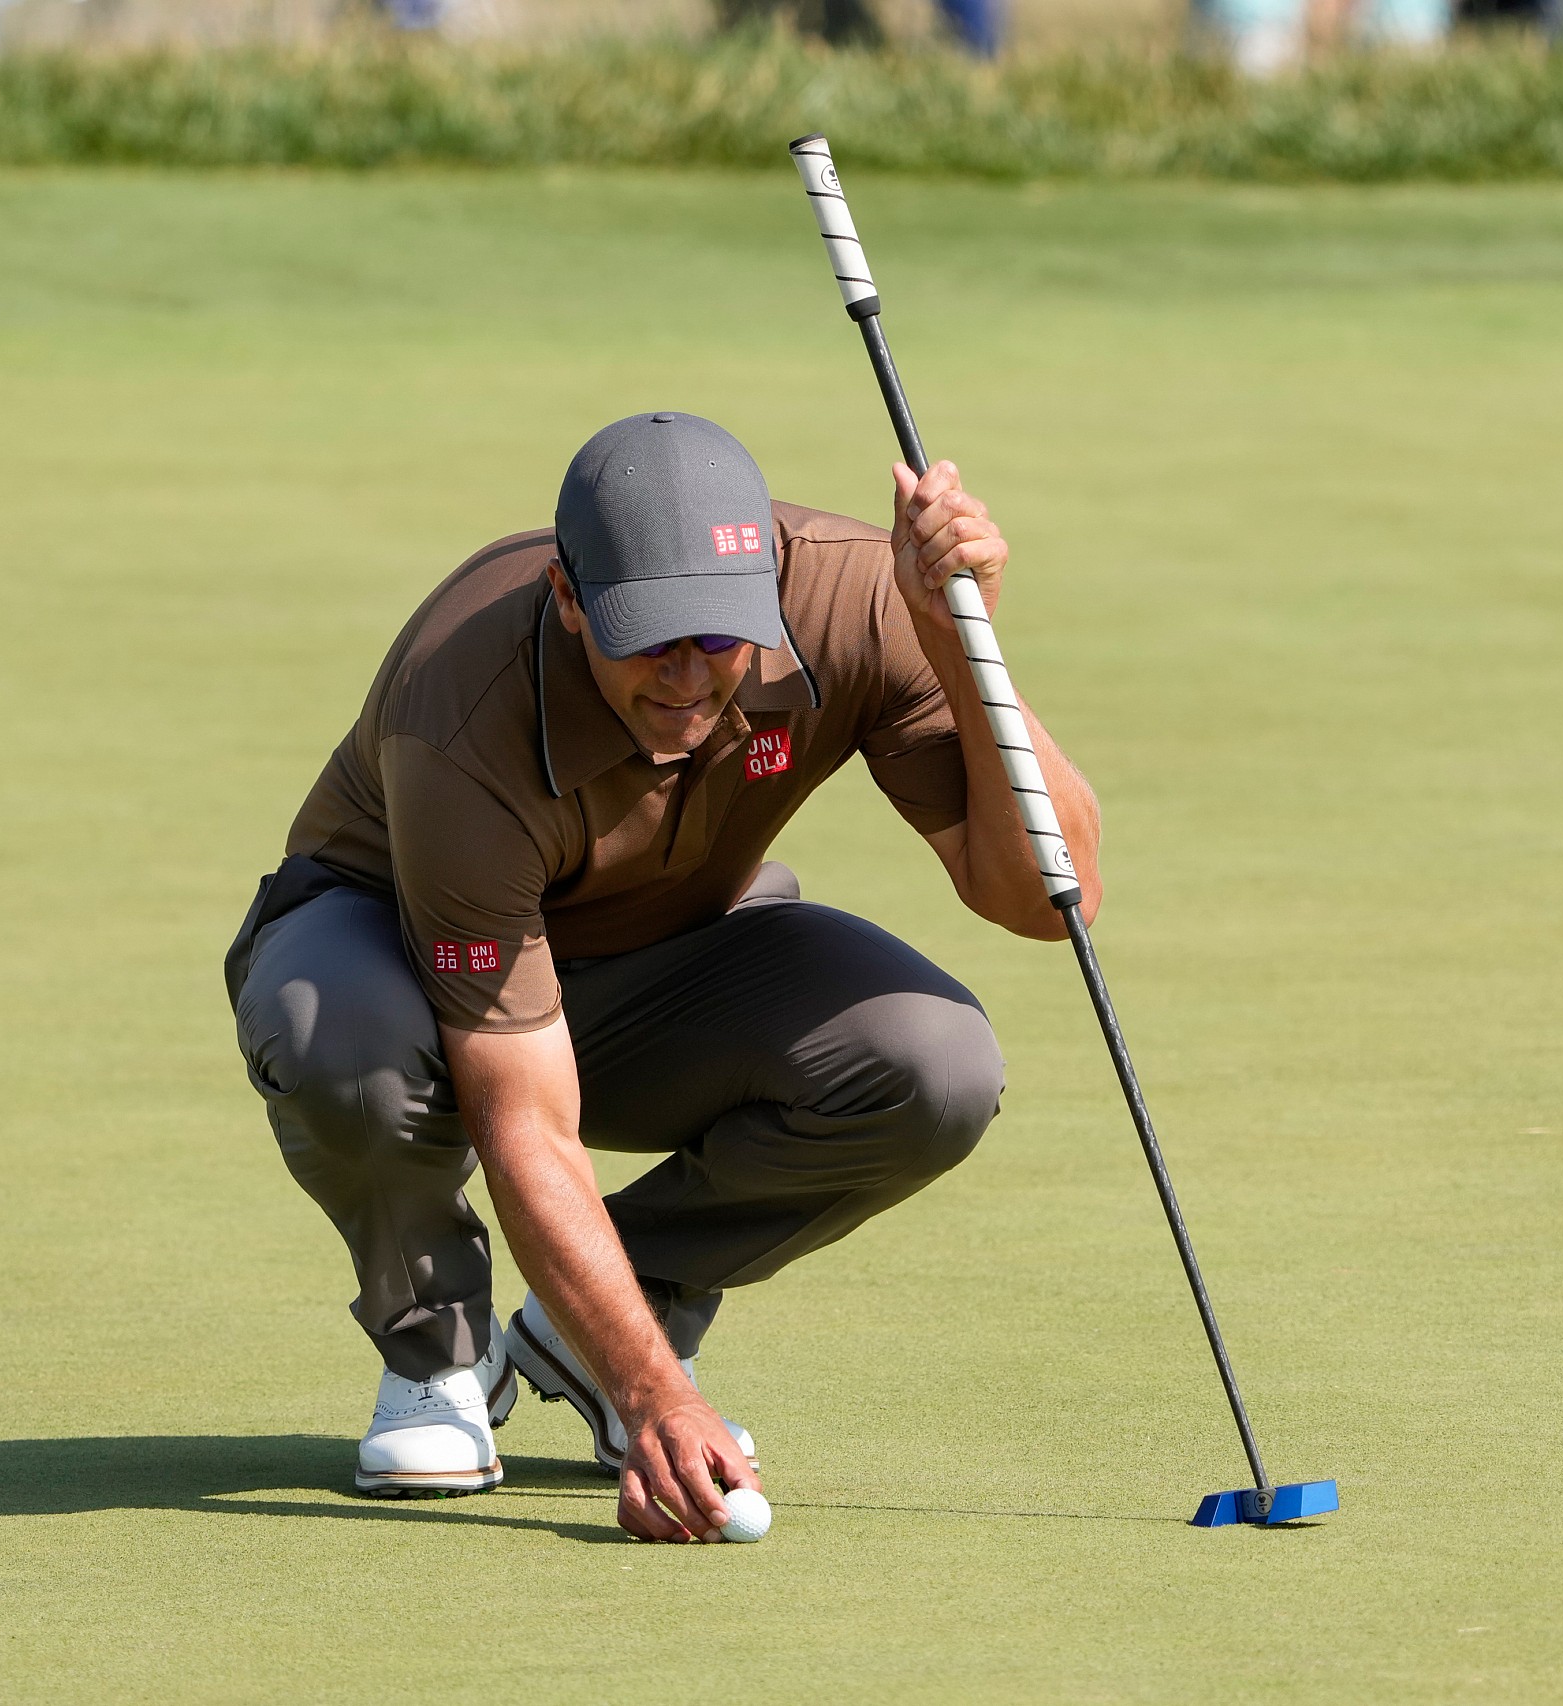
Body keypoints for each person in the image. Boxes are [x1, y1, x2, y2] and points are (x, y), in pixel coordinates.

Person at [223, 412, 1102, 1541]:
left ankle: (611, 1314)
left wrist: (960, 646)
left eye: (720, 640)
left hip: (666, 960)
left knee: (932, 1066)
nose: (688, 680)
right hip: (397, 959)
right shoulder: (466, 703)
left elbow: (1043, 898)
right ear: (570, 592)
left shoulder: (863, 601)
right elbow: (524, 1120)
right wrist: (659, 1398)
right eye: (649, 640)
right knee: (335, 1040)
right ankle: (434, 1358)